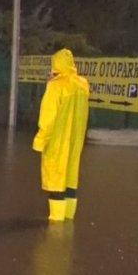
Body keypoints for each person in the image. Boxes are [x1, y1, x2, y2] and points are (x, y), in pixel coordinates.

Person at [32, 48, 90, 221]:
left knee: (56, 181)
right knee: (71, 179)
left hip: (57, 140)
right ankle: (68, 219)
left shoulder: (55, 87)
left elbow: (48, 118)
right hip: (75, 140)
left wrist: (40, 140)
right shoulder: (82, 84)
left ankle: (56, 222)